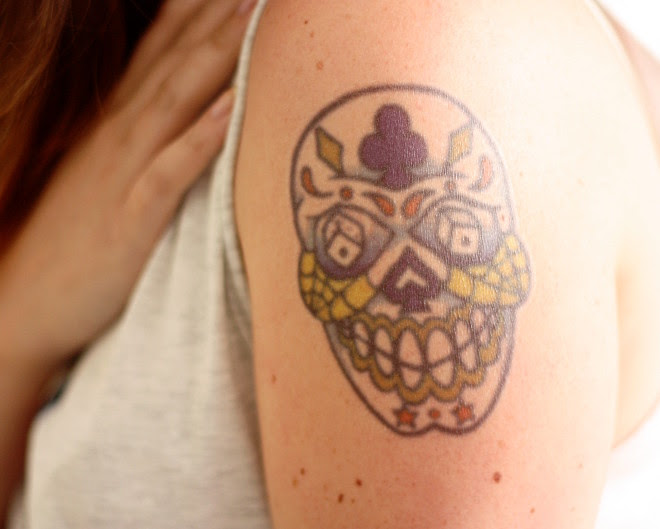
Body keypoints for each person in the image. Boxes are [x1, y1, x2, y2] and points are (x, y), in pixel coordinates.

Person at [1, 1, 658, 528]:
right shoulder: (105, 59)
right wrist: (22, 320)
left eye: (449, 230)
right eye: (353, 246)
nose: (411, 284)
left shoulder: (409, 44)